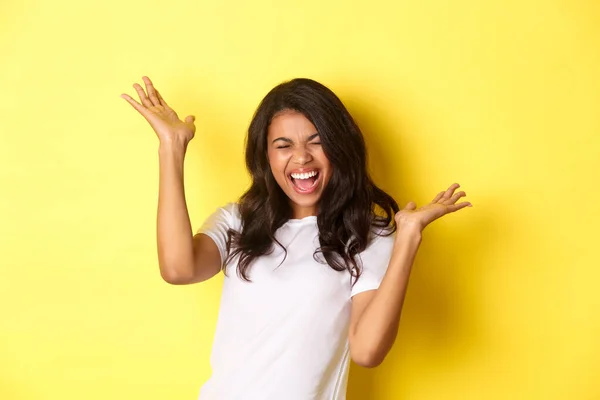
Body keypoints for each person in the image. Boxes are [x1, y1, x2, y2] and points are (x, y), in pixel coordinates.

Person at [120, 76, 472, 400]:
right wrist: (172, 147)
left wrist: (408, 238)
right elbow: (179, 269)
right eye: (283, 145)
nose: (301, 157)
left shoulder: (368, 236)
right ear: (266, 156)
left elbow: (367, 351)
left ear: (340, 149)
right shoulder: (237, 221)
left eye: (317, 142)